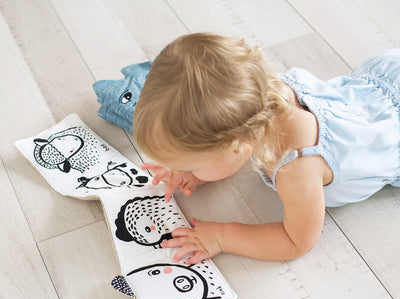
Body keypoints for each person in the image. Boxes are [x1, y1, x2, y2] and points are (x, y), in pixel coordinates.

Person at [133, 33, 400, 264]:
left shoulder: (298, 168)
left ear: (235, 147)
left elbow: (296, 241)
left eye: (189, 166)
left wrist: (222, 236)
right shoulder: (258, 98)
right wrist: (198, 172)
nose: (179, 171)